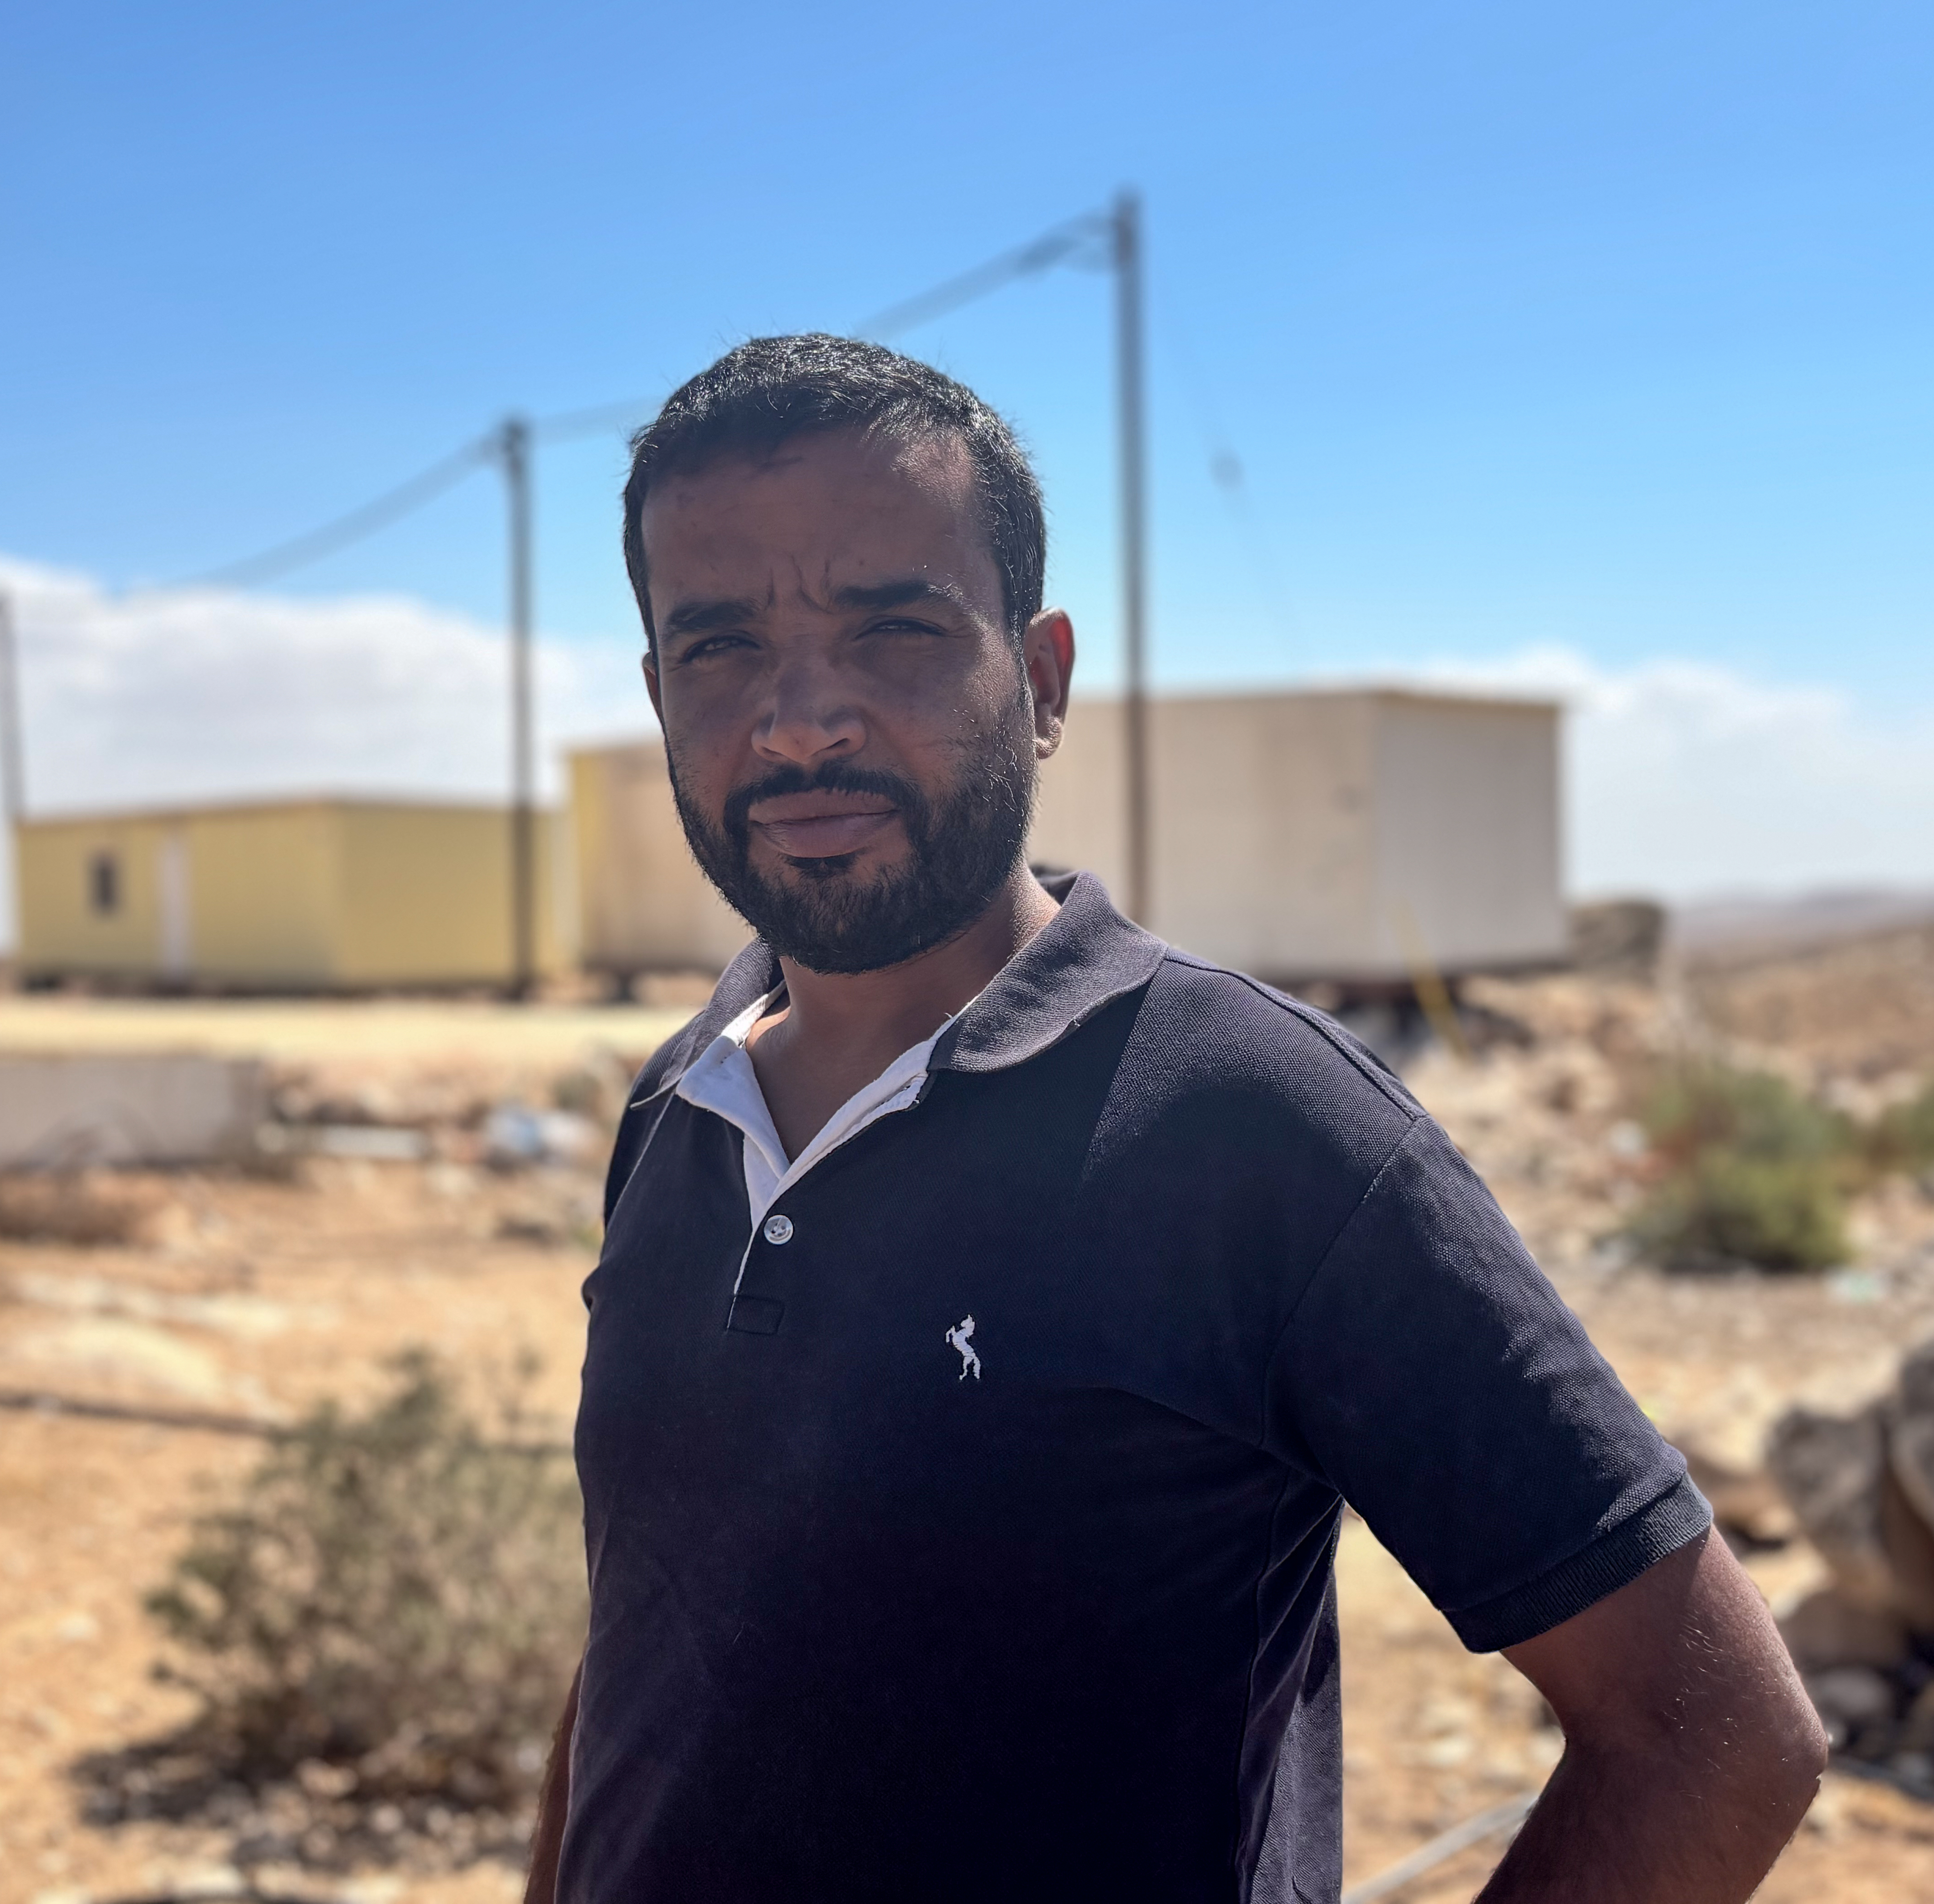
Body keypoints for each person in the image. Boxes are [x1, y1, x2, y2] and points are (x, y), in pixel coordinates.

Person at [524, 334, 1825, 1904]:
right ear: (660, 692)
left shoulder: (1251, 1123)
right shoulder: (683, 1102)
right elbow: (642, 1649)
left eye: (896, 630)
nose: (803, 723)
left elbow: (1718, 1732)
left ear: (1045, 677)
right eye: (720, 648)